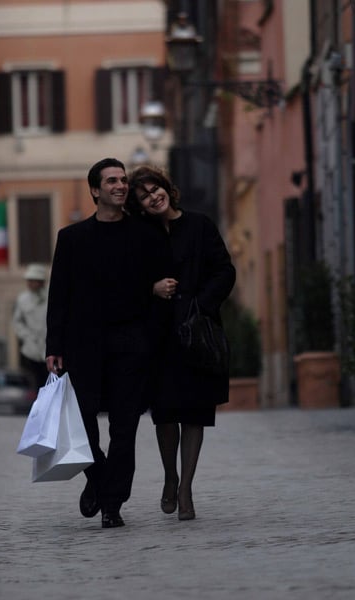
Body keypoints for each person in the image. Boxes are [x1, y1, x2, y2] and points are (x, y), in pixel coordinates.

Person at [45, 158, 170, 529]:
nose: (120, 185)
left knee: (125, 426)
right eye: (111, 180)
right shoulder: (71, 238)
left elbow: (157, 289)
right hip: (83, 344)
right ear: (95, 191)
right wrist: (54, 344)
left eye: (123, 180)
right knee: (83, 423)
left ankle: (112, 504)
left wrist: (152, 338)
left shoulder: (145, 236)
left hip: (131, 341)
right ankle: (98, 479)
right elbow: (59, 295)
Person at [127, 165, 236, 521]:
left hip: (197, 331)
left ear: (167, 188)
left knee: (195, 412)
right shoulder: (140, 234)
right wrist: (150, 289)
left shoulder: (200, 225)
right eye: (143, 196)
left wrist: (200, 304)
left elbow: (225, 270)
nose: (152, 197)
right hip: (158, 334)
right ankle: (169, 476)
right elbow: (125, 278)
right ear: (139, 206)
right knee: (165, 411)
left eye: (154, 188)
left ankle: (186, 486)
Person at [12, 263, 49, 390]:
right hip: (31, 349)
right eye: (29, 280)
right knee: (36, 382)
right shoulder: (23, 299)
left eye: (34, 280)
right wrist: (26, 336)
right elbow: (17, 322)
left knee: (52, 381)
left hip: (49, 347)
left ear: (41, 281)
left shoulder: (51, 296)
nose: (30, 283)